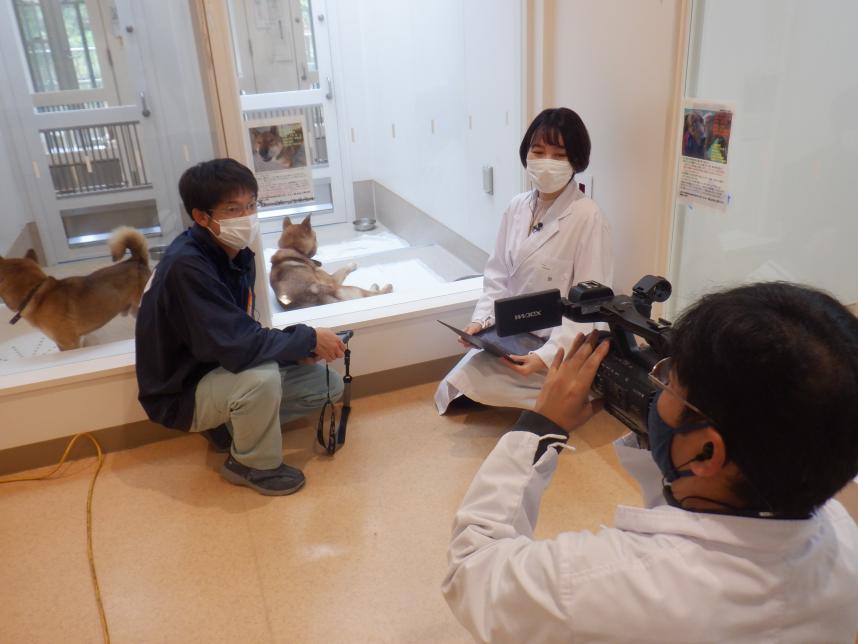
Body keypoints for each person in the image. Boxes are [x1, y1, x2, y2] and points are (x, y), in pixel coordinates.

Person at [443, 282, 858, 642]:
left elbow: (474, 571)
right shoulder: (845, 541)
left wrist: (538, 427)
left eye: (668, 383)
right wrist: (661, 439)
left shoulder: (595, 584)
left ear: (709, 452)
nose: (655, 392)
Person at [135, 158, 344, 496]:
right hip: (182, 390)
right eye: (233, 209)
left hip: (216, 367)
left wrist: (298, 352)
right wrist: (306, 340)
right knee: (259, 380)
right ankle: (251, 464)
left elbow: (237, 331)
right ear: (202, 217)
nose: (246, 216)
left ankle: (227, 425)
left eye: (251, 205)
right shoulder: (187, 266)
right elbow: (235, 344)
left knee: (326, 385)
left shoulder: (234, 253)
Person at [435, 107, 612, 414]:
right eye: (538, 151)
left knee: (546, 393)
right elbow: (497, 276)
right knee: (456, 383)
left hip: (559, 343)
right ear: (526, 154)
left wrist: (544, 357)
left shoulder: (588, 216)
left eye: (558, 155)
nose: (546, 163)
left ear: (576, 160)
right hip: (514, 336)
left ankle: (573, 390)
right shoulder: (516, 207)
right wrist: (481, 323)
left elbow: (589, 307)